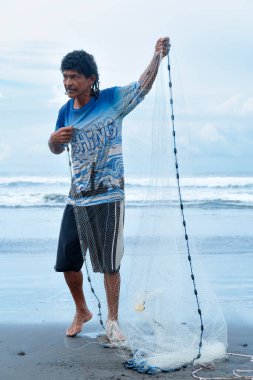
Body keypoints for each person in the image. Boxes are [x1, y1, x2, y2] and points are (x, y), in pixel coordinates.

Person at [48, 37, 169, 342]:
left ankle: (113, 321)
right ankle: (82, 310)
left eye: (74, 76)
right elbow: (56, 149)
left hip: (110, 195)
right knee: (67, 260)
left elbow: (142, 86)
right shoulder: (65, 111)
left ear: (91, 79)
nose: (68, 81)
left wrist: (156, 57)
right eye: (65, 76)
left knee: (109, 263)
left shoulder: (112, 100)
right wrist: (54, 140)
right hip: (77, 198)